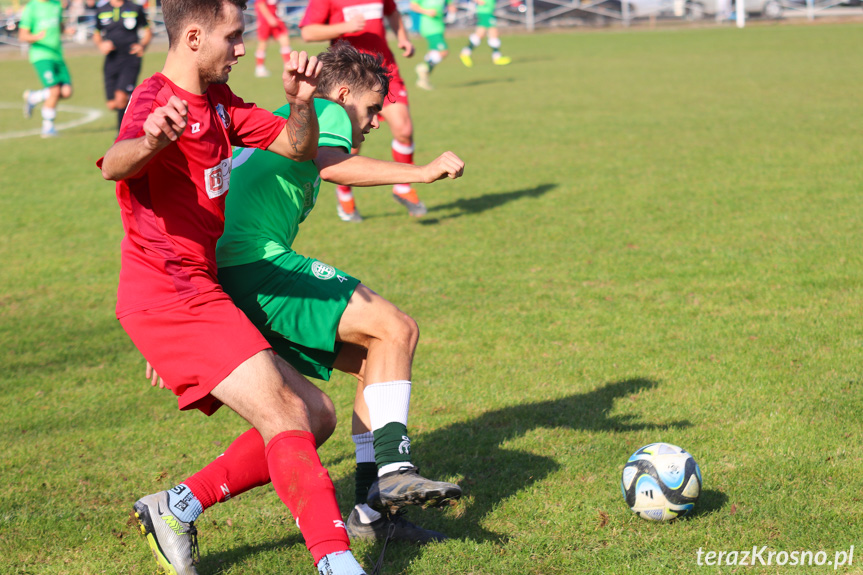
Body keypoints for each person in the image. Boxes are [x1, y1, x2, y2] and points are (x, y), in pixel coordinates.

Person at [97, 0, 370, 572]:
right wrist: (150, 140)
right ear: (193, 37)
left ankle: (176, 507)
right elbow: (115, 165)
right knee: (286, 416)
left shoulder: (220, 102)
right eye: (234, 36)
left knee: (315, 413)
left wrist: (300, 102)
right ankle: (336, 562)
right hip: (169, 293)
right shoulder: (156, 99)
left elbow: (297, 148)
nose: (243, 48)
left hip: (199, 288)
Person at [299, 0, 428, 222]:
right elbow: (308, 32)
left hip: (385, 72)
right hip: (351, 79)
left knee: (404, 129)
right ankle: (345, 193)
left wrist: (403, 38)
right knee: (353, 143)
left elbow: (393, 12)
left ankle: (403, 187)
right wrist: (344, 26)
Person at [93, 0, 152, 129]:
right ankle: (135, 111)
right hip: (111, 59)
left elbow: (148, 30)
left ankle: (121, 134)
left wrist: (142, 45)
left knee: (120, 98)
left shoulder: (135, 8)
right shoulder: (102, 9)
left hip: (130, 59)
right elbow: (96, 33)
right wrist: (101, 44)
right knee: (112, 104)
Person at [19, 0, 73, 138]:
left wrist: (66, 30)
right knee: (54, 90)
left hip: (57, 55)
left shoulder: (56, 5)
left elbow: (58, 25)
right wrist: (36, 37)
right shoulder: (32, 7)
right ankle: (47, 128)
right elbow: (22, 35)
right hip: (41, 55)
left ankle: (34, 97)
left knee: (66, 92)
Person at [459, 0, 511, 67]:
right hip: (485, 11)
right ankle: (497, 57)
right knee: (493, 33)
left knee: (480, 34)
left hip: (487, 11)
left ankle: (465, 53)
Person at [410, 0, 448, 91]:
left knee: (433, 52)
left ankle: (423, 80)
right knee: (444, 51)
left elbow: (449, 4)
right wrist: (427, 11)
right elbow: (413, 6)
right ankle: (424, 67)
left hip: (439, 26)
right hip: (430, 27)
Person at [253, 0, 292, 78]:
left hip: (275, 17)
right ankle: (259, 68)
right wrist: (269, 18)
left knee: (285, 40)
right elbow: (261, 4)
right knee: (263, 43)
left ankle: (288, 66)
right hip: (265, 20)